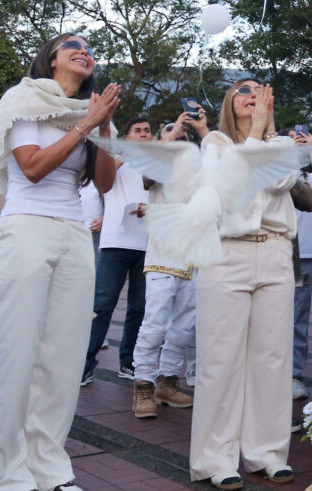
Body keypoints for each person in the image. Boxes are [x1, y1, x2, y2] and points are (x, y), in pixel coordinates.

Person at [0, 33, 120, 491]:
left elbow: (104, 184)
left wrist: (104, 127)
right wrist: (87, 124)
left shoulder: (89, 113)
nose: (85, 49)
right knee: (17, 353)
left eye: (90, 46)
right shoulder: (24, 98)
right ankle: (7, 471)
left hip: (73, 233)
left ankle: (48, 466)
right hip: (25, 227)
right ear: (50, 58)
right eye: (73, 44)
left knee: (63, 358)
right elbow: (31, 167)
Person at [189, 80, 299, 489]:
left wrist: (266, 135)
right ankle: (215, 459)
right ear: (228, 103)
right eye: (243, 90)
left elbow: (280, 181)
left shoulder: (283, 144)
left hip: (274, 250)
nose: (253, 94)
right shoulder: (214, 142)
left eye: (259, 90)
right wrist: (255, 136)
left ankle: (267, 452)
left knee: (272, 359)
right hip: (226, 253)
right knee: (221, 359)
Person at [131, 107, 209, 419]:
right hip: (163, 255)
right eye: (170, 133)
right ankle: (144, 386)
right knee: (154, 324)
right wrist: (173, 132)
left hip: (192, 256)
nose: (178, 137)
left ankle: (167, 382)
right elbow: (148, 176)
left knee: (184, 328)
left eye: (182, 135)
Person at [81, 117, 154, 386]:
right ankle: (86, 364)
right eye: (138, 131)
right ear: (128, 136)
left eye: (147, 131)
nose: (144, 135)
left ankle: (128, 362)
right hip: (114, 243)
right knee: (102, 305)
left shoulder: (155, 165)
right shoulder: (115, 159)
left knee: (139, 307)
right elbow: (102, 182)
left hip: (147, 245)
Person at [286, 128, 312, 401]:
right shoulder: (274, 173)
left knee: (298, 318)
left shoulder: (308, 177)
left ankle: (293, 373)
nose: (297, 144)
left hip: (304, 255)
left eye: (301, 139)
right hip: (276, 248)